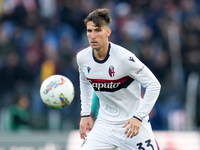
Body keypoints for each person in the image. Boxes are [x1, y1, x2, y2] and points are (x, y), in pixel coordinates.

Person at [76, 8, 161, 150]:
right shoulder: (82, 58)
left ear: (108, 32)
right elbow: (85, 82)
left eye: (97, 30)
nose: (93, 36)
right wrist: (85, 113)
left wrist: (138, 117)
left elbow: (154, 85)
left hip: (131, 125)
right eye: (89, 31)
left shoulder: (124, 58)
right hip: (105, 126)